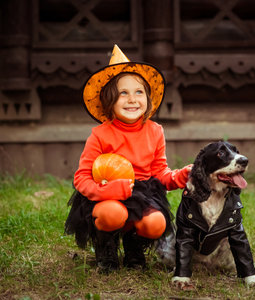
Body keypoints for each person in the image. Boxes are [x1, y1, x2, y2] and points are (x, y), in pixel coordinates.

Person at [65, 45, 191, 272]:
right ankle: (107, 249)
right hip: (107, 193)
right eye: (123, 93)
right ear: (109, 100)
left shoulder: (154, 131)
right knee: (113, 214)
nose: (132, 99)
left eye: (139, 92)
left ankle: (134, 248)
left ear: (148, 98)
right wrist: (106, 191)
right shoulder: (100, 134)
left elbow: (159, 173)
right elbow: (82, 177)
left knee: (156, 223)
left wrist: (181, 176)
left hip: (143, 192)